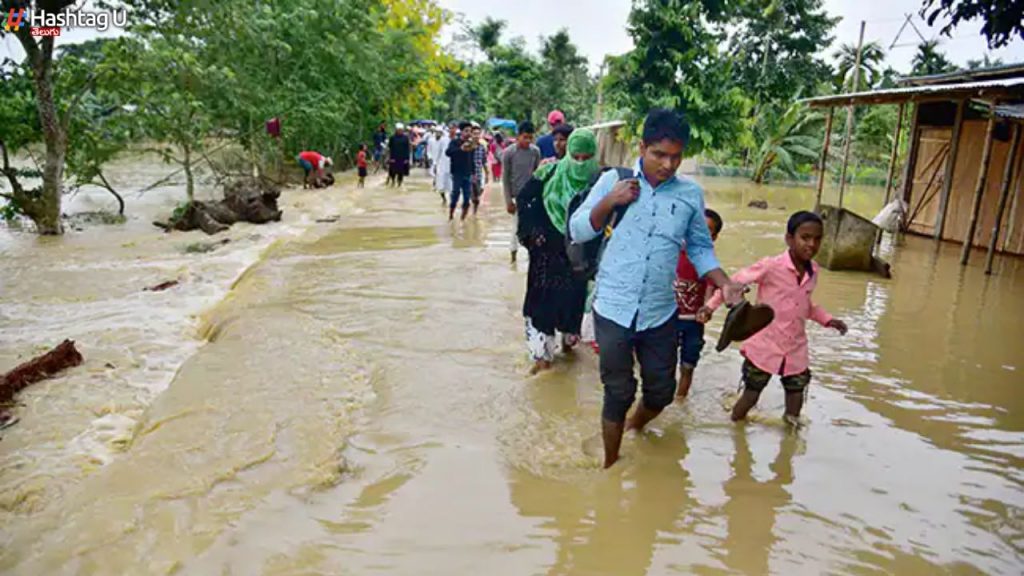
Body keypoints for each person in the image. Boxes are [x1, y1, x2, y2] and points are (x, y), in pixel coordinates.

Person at [567, 109, 745, 469]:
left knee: (662, 392)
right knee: (618, 391)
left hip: (659, 311)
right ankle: (611, 467)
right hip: (613, 307)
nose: (668, 164)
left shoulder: (689, 195)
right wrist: (609, 201)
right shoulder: (613, 181)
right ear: (642, 147)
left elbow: (698, 248)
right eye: (659, 154)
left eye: (676, 156)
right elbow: (578, 230)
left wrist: (724, 283)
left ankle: (634, 426)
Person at [704, 211, 849, 424]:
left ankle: (789, 446)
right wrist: (709, 307)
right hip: (765, 346)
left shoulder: (813, 271)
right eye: (805, 237)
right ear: (789, 239)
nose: (812, 244)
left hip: (795, 349)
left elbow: (805, 306)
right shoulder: (771, 266)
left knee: (795, 401)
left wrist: (828, 320)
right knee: (751, 395)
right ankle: (734, 431)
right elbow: (732, 283)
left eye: (817, 239)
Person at [517, 128, 600, 374]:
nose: (581, 164)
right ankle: (541, 359)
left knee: (571, 304)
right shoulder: (548, 172)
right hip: (546, 253)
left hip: (577, 257)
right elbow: (524, 199)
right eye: (576, 157)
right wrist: (531, 234)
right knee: (541, 306)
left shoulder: (599, 181)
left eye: (587, 158)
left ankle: (567, 344)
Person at [673, 209, 723, 401]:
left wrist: (707, 309)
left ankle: (680, 400)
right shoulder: (672, 253)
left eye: (706, 230)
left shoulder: (708, 262)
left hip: (693, 322)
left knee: (688, 366)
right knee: (662, 362)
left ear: (714, 237)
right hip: (667, 318)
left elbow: (712, 287)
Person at [502, 120, 541, 264]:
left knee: (533, 228)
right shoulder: (509, 153)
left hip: (532, 196)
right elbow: (505, 178)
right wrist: (508, 201)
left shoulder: (535, 151)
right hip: (517, 196)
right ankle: (513, 257)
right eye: (525, 137)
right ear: (518, 136)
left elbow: (538, 174)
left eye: (530, 138)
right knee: (516, 228)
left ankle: (532, 256)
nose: (528, 141)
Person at [446, 122, 476, 221]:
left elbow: (472, 160)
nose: (468, 133)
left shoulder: (471, 144)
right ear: (461, 132)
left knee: (467, 198)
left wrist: (474, 173)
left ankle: (463, 219)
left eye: (470, 131)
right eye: (466, 131)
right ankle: (451, 215)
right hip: (457, 173)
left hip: (467, 174)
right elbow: (448, 152)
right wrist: (461, 149)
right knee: (455, 194)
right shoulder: (455, 142)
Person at [433, 124, 455, 204]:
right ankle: (444, 199)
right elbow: (438, 152)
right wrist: (435, 164)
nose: (452, 131)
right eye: (451, 129)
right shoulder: (443, 140)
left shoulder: (458, 140)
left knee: (452, 186)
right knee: (441, 185)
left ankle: (452, 201)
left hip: (454, 166)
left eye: (454, 129)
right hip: (442, 165)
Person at [471, 124, 488, 214]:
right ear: (471, 134)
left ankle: (474, 211)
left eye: (478, 134)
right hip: (469, 175)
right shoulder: (467, 146)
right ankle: (473, 212)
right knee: (473, 196)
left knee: (477, 196)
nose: (476, 136)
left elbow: (484, 161)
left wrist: (487, 174)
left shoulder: (482, 147)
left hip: (479, 175)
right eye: (474, 133)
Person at [388, 123, 412, 188]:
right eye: (398, 130)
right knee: (393, 171)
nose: (400, 131)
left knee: (401, 172)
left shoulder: (405, 138)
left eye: (401, 130)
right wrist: (390, 158)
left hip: (402, 157)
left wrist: (407, 159)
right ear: (396, 130)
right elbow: (390, 148)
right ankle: (393, 181)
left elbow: (407, 148)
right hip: (394, 157)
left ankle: (399, 183)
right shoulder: (392, 138)